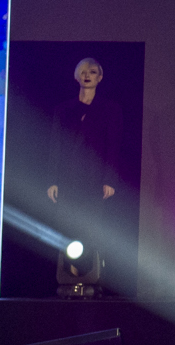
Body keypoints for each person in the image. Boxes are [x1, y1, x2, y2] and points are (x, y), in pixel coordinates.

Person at [47, 57, 120, 256]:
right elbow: (55, 145)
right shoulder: (63, 109)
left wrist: (109, 179)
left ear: (100, 77)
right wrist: (52, 180)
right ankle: (68, 270)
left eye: (92, 72)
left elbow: (113, 145)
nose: (87, 75)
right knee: (67, 228)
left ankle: (90, 269)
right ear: (76, 76)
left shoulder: (110, 109)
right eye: (83, 72)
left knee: (91, 228)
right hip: (68, 177)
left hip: (95, 178)